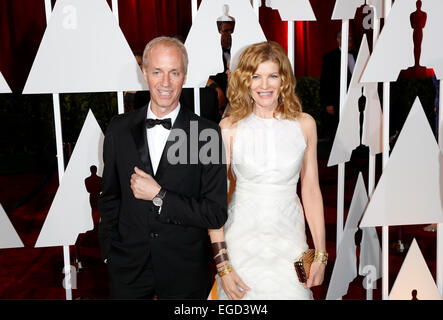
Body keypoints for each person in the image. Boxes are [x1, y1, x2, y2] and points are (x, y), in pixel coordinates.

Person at [98, 36, 228, 299]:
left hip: (185, 271)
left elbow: (214, 213)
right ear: (144, 73)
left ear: (184, 76)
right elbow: (110, 198)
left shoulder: (205, 133)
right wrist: (110, 254)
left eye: (174, 73)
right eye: (157, 72)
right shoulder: (119, 129)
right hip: (129, 268)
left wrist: (160, 196)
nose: (166, 82)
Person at [208, 41, 327, 300]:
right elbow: (214, 198)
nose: (264, 85)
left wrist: (320, 253)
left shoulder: (304, 124)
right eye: (256, 76)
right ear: (245, 81)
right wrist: (223, 264)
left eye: (272, 76)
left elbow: (310, 189)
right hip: (241, 244)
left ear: (283, 79)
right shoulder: (228, 128)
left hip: (292, 243)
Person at [320, 30, 357, 143]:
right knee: (337, 132)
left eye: (350, 37)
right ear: (338, 40)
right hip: (336, 102)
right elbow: (325, 81)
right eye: (346, 37)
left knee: (353, 130)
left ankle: (351, 158)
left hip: (354, 99)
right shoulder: (329, 57)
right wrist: (328, 103)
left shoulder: (357, 55)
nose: (349, 40)